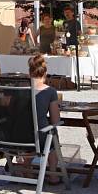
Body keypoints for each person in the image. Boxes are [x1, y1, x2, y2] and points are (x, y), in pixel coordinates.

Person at [27, 53, 61, 183]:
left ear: (29, 72)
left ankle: (27, 168)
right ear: (45, 73)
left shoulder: (20, 89)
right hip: (38, 137)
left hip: (17, 136)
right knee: (52, 132)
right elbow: (55, 120)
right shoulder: (50, 91)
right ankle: (53, 175)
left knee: (29, 127)